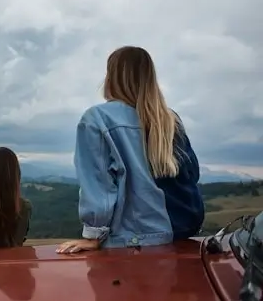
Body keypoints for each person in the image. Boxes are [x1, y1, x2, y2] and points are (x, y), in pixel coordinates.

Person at [57, 46, 204, 254]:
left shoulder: (98, 119)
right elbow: (192, 173)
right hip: (178, 234)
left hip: (131, 241)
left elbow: (100, 186)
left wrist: (93, 235)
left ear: (112, 77)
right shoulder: (169, 120)